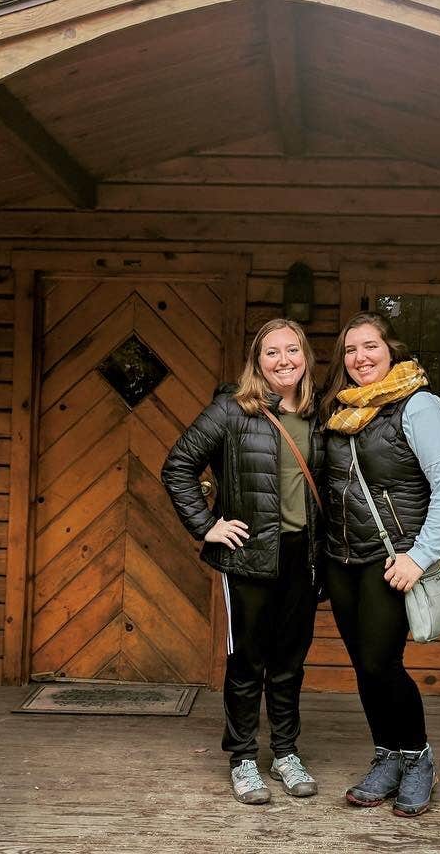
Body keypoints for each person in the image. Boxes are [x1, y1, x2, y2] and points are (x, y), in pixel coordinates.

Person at [161, 318, 322, 806]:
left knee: (290, 661)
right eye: (271, 353)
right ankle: (244, 759)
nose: (283, 361)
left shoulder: (319, 414)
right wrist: (207, 525)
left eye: (292, 350)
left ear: (305, 357)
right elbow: (178, 465)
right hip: (248, 554)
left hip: (302, 556)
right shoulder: (232, 410)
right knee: (248, 660)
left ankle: (287, 753)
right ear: (257, 361)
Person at [319, 312, 440, 817]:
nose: (360, 358)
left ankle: (418, 757)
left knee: (383, 662)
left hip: (392, 560)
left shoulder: (419, 407)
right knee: (364, 665)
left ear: (391, 349)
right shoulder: (338, 412)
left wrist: (420, 557)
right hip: (341, 559)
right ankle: (386, 756)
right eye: (350, 350)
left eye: (370, 346)